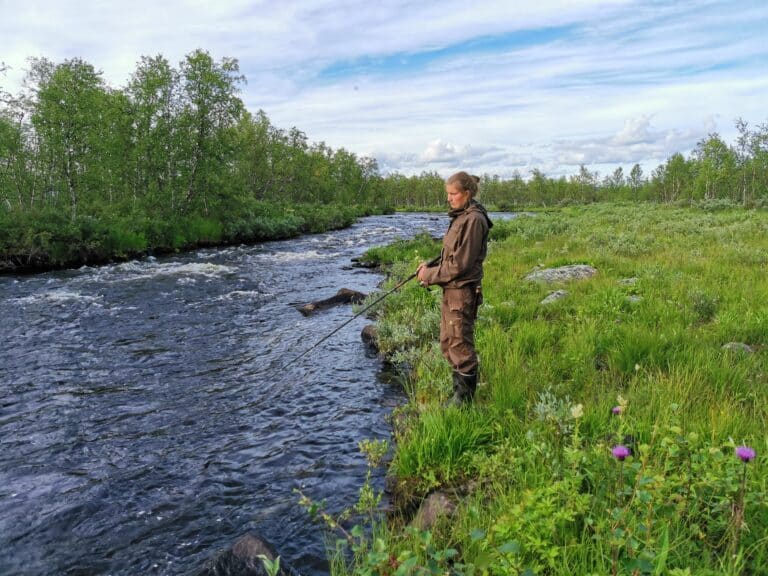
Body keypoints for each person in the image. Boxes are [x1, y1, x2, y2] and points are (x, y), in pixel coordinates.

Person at [417, 171, 493, 404]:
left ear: (466, 193)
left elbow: (460, 265)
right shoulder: (461, 216)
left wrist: (429, 275)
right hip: (451, 291)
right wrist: (430, 266)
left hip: (462, 292)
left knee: (460, 345)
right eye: (447, 194)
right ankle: (458, 395)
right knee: (448, 342)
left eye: (453, 193)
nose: (448, 198)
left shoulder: (474, 220)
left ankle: (463, 403)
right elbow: (451, 256)